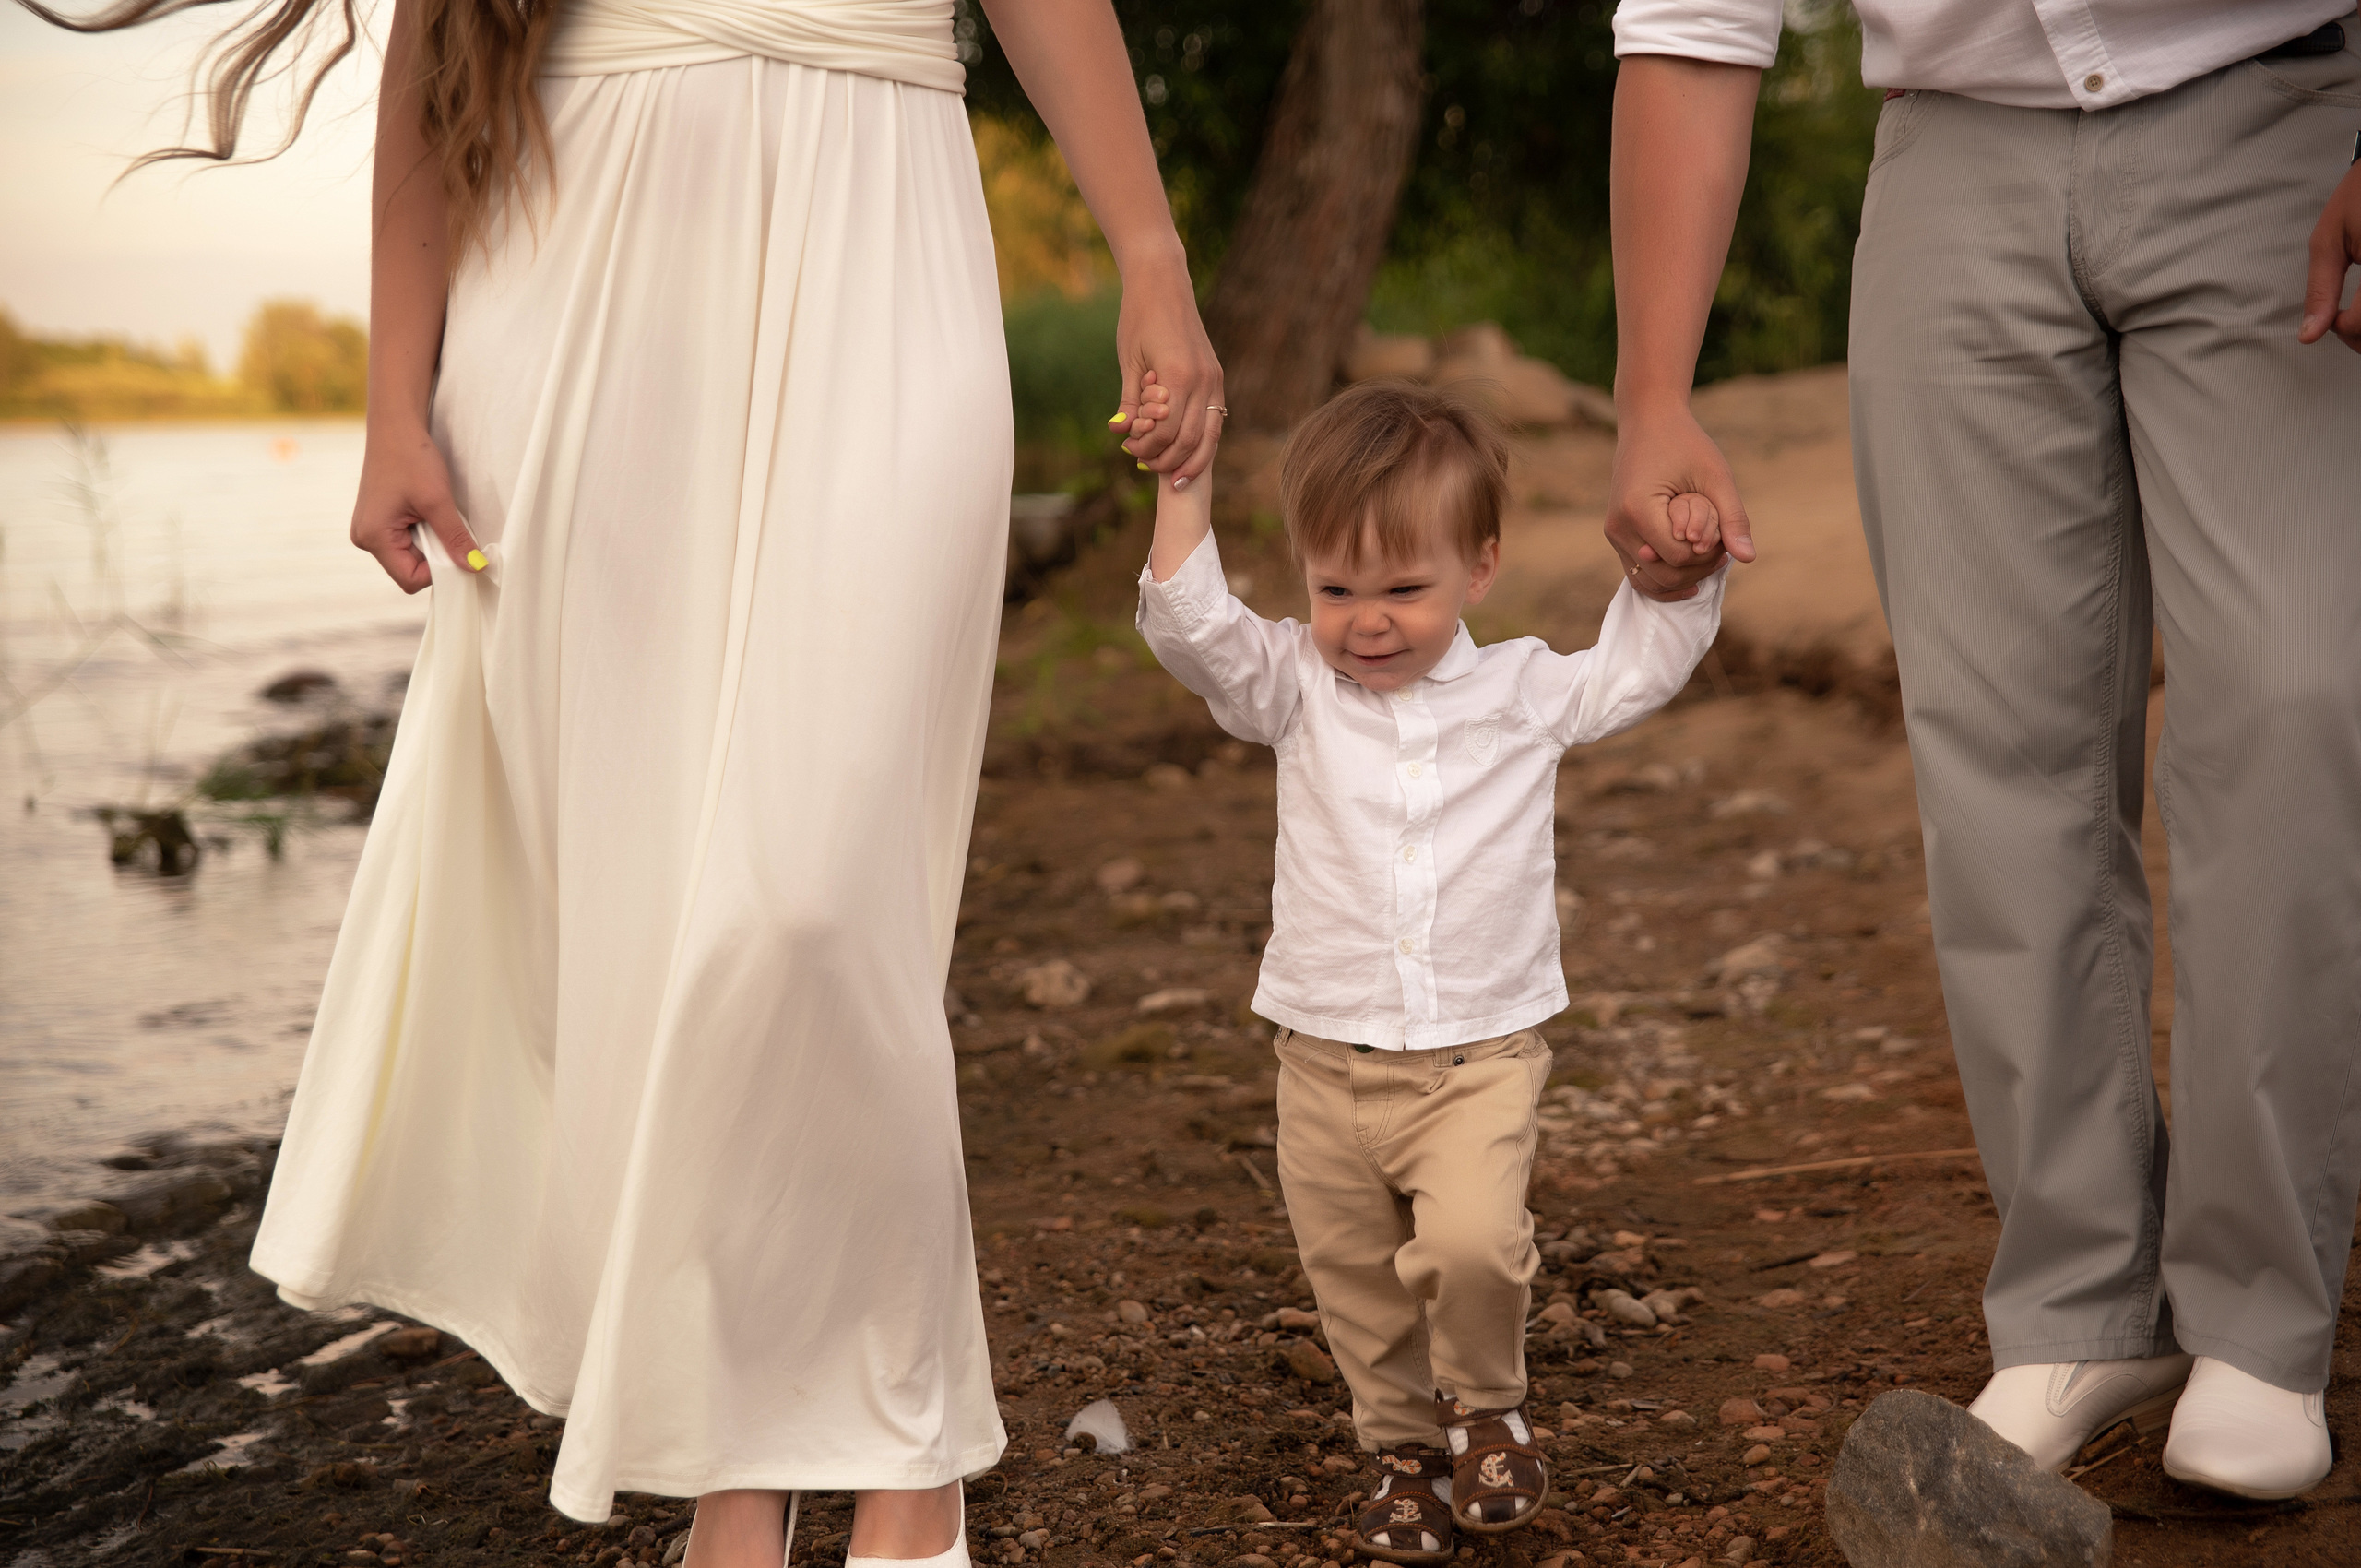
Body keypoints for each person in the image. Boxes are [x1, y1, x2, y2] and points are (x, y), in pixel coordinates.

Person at [20, 0, 1224, 1561]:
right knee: (666, 924)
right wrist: (397, 394)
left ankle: (901, 1467)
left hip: (884, 236)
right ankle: (749, 1468)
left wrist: (1151, 253)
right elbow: (437, 59)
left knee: (811, 902)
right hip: (574, 288)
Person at [1605, 0, 2361, 1502]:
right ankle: (2083, 1300)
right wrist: (1652, 396)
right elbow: (1695, 19)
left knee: (2293, 702)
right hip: (1955, 162)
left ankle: (2265, 1314)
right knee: (1997, 744)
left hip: (2279, 118)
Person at [1128, 378, 1725, 1564]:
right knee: (1352, 1281)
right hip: (1322, 1056)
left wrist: (1677, 572)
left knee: (1472, 1246)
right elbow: (1193, 630)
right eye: (1335, 588)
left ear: (1480, 566)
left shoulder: (1518, 692)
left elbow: (1632, 670)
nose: (1368, 619)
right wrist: (1181, 484)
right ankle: (1401, 1452)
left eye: (1405, 588)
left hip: (1477, 1056)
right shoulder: (1291, 685)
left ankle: (1488, 1406)